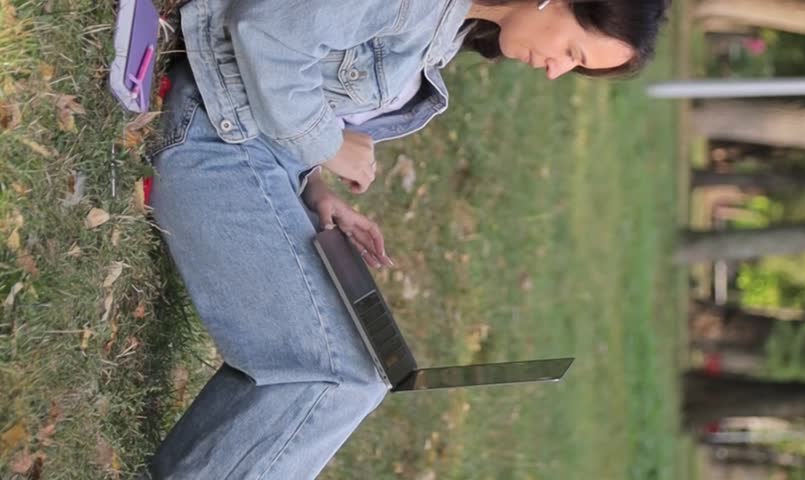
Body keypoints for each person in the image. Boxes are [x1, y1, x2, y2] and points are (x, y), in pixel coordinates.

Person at [145, 0, 669, 478]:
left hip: (254, 152)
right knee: (340, 375)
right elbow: (263, 30)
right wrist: (327, 145)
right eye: (572, 52)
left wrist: (314, 186)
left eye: (574, 67)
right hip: (213, 134)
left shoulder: (448, 29)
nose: (556, 70)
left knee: (366, 366)